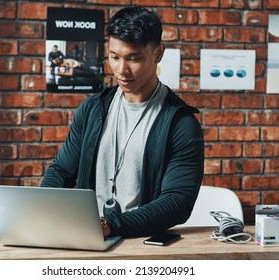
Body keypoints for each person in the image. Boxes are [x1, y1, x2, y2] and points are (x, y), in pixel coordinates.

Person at [40, 6, 204, 238]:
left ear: (158, 54)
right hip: (89, 236)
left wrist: (112, 225)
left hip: (142, 241)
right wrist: (41, 209)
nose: (121, 70)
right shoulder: (92, 109)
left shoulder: (181, 123)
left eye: (134, 58)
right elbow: (61, 170)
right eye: (114, 57)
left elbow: (178, 201)